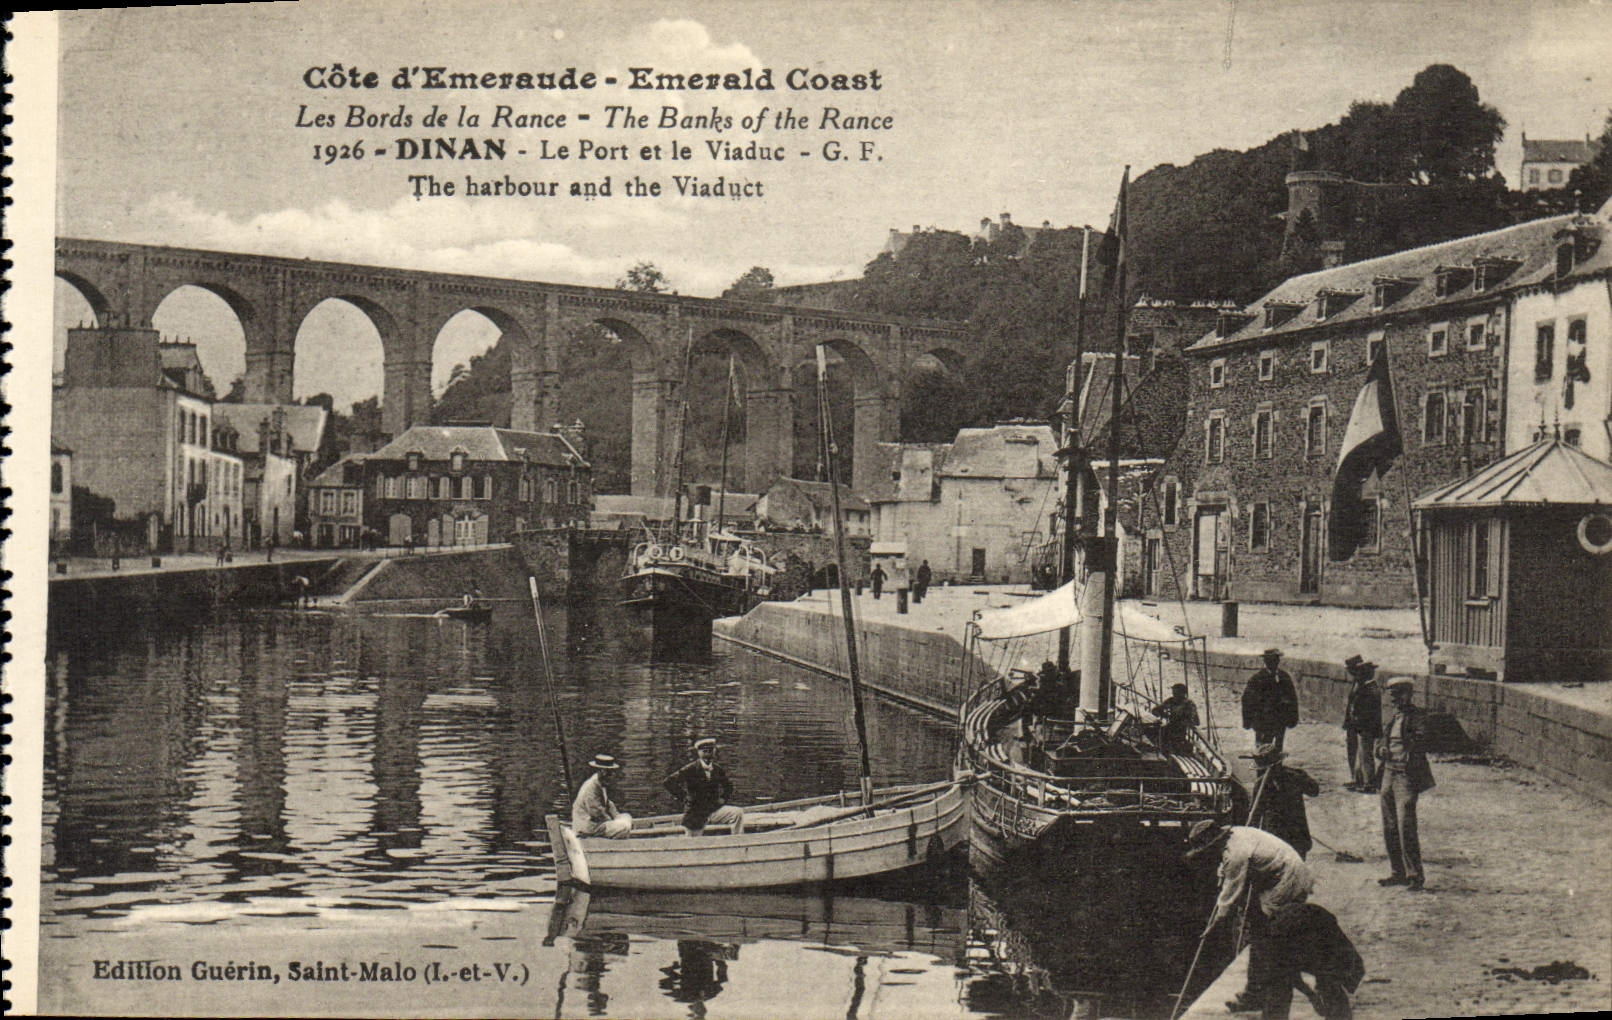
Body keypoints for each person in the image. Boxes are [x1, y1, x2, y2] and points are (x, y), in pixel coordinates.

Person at [1185, 821, 1315, 1017]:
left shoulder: (1236, 854)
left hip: (1288, 879)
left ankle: (1263, 991)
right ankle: (1255, 992)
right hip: (1273, 878)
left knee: (1268, 936)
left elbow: (1231, 893)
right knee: (1259, 932)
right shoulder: (1235, 836)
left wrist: (1215, 924)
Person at [1376, 676, 1434, 890]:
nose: (1393, 700)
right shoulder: (1394, 717)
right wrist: (1381, 749)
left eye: (1396, 695)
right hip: (1389, 773)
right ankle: (1397, 872)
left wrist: (1410, 753)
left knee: (1405, 825)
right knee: (1390, 825)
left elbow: (1423, 739)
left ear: (1407, 694)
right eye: (1391, 696)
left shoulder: (1417, 716)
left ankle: (1415, 875)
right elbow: (1383, 740)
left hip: (1406, 775)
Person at [1264, 902, 1366, 1020]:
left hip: (1291, 923)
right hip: (1295, 926)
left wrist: (1313, 995)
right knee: (1281, 983)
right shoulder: (1337, 953)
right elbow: (1289, 973)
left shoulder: (1338, 953)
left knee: (1279, 985)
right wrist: (1312, 995)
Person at [1246, 743, 1321, 859]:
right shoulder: (1261, 785)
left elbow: (1314, 791)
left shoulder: (1294, 776)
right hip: (1275, 838)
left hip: (1296, 835)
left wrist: (1302, 777)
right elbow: (1254, 815)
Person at [663, 738, 745, 836]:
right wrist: (685, 797)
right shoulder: (691, 768)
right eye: (704, 751)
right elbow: (668, 782)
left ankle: (737, 842)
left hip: (714, 810)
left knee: (737, 813)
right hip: (696, 813)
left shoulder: (717, 769)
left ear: (714, 752)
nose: (708, 753)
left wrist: (723, 799)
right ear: (699, 752)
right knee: (693, 842)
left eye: (710, 750)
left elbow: (728, 786)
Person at [1243, 649, 1299, 752]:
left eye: (1276, 660)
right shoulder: (1257, 679)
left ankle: (1277, 766)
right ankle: (1263, 766)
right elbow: (1247, 701)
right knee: (1263, 748)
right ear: (1266, 662)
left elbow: (1292, 698)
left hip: (1280, 721)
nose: (1274, 663)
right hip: (1263, 721)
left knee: (1278, 748)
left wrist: (1292, 718)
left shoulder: (1284, 677)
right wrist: (1248, 721)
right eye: (1271, 660)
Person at [1341, 656, 1382, 792]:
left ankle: (1368, 782)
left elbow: (1370, 711)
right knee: (1358, 753)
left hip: (1365, 727)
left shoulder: (1370, 688)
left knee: (1365, 754)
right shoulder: (1360, 685)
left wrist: (1361, 723)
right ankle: (1359, 780)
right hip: (1357, 725)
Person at [572, 754, 634, 838]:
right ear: (602, 771)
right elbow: (596, 813)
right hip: (588, 827)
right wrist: (612, 822)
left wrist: (616, 816)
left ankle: (617, 834)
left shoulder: (600, 783)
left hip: (597, 823)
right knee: (624, 827)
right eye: (609, 772)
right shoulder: (590, 789)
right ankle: (610, 841)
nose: (612, 775)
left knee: (626, 817)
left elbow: (608, 804)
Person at [1151, 682, 1201, 755]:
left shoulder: (1189, 704)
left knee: (1167, 737)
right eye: (1174, 693)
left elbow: (1196, 722)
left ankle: (1167, 753)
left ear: (1183, 694)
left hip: (1180, 731)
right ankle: (1163, 752)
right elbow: (1155, 710)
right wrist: (1165, 715)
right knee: (1155, 731)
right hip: (1171, 727)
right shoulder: (1171, 701)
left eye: (1176, 694)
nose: (1174, 695)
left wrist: (1184, 720)